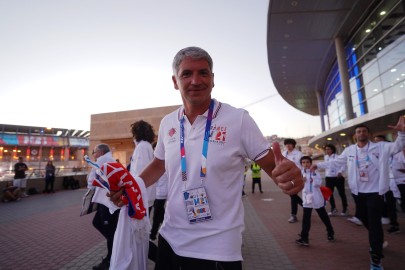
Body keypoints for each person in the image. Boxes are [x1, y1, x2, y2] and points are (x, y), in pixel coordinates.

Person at [109, 46, 303, 270]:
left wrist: (290, 177)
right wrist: (132, 187)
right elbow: (159, 163)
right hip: (170, 238)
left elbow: (275, 167)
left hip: (218, 247)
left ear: (212, 79)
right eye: (186, 74)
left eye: (203, 73)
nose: (195, 80)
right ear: (175, 81)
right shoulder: (168, 123)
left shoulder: (238, 119)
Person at [311, 118, 405, 270]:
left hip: (375, 193)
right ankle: (378, 241)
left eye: (364, 131)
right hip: (357, 192)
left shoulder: (381, 147)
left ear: (369, 134)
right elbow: (337, 162)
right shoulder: (349, 150)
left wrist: (401, 132)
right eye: (358, 131)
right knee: (363, 218)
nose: (361, 133)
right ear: (355, 135)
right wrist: (318, 165)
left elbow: (398, 146)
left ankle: (376, 258)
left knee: (374, 224)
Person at [88, 144, 120, 270]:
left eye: (94, 152)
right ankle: (116, 247)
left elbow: (91, 181)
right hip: (110, 201)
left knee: (110, 232)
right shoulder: (111, 160)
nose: (93, 155)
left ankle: (110, 260)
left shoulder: (101, 161)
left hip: (107, 202)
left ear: (100, 152)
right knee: (98, 223)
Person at [296, 156, 335, 246]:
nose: (305, 164)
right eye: (303, 162)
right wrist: (301, 181)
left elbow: (318, 184)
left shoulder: (315, 172)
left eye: (307, 162)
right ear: (301, 164)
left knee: (323, 216)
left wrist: (312, 177)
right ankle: (304, 238)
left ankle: (330, 231)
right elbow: (297, 185)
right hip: (307, 199)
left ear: (311, 163)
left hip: (316, 198)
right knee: (306, 218)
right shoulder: (301, 173)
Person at [129, 120, 156, 215]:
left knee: (139, 226)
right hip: (147, 194)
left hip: (142, 195)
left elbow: (139, 172)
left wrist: (133, 192)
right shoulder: (147, 146)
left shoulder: (142, 147)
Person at [150, 142, 169, 241]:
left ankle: (153, 233)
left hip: (162, 192)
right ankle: (167, 226)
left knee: (157, 213)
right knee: (160, 212)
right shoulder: (156, 159)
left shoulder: (163, 160)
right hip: (158, 191)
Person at [323, 144, 348, 216]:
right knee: (329, 194)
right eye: (326, 149)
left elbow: (344, 164)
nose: (327, 151)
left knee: (341, 193)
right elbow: (325, 165)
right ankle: (333, 209)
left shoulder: (338, 157)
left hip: (338, 178)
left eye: (329, 149)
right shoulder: (326, 157)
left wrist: (340, 171)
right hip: (329, 178)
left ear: (332, 149)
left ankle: (345, 209)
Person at [283, 138, 303, 223]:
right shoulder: (284, 154)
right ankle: (306, 206)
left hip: (296, 177)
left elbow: (302, 166)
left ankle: (293, 215)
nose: (288, 145)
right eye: (286, 144)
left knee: (292, 194)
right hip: (287, 177)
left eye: (290, 144)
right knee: (292, 195)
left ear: (293, 145)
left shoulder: (299, 154)